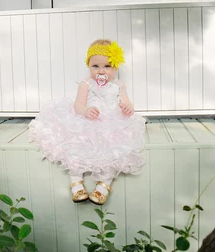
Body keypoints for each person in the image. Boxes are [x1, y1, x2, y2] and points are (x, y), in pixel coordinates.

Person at [28, 39, 146, 205]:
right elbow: (78, 104)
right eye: (95, 66)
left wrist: (127, 107)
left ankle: (104, 183)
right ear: (89, 65)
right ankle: (76, 181)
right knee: (75, 143)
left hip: (111, 123)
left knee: (116, 150)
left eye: (107, 66)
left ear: (115, 67)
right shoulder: (86, 84)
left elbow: (126, 101)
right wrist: (84, 111)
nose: (100, 71)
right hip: (87, 120)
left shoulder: (119, 85)